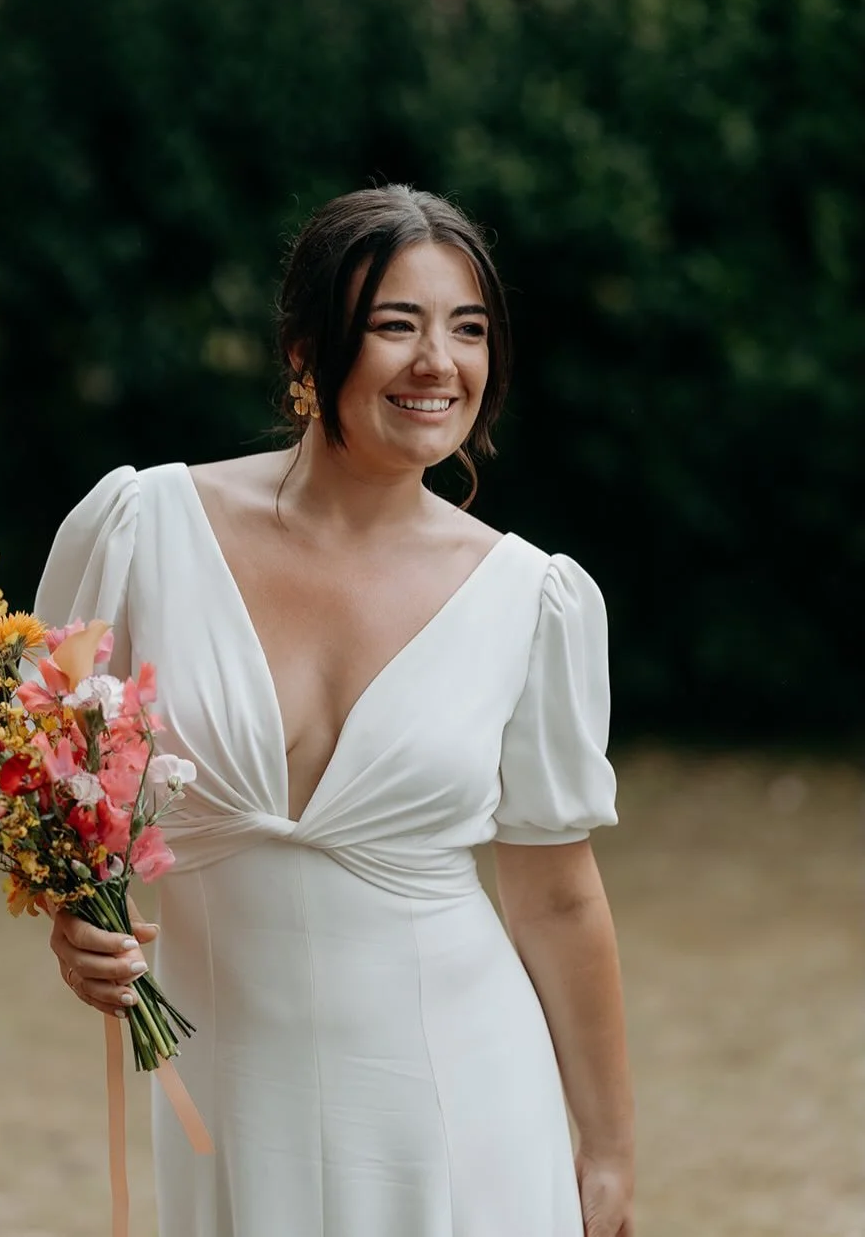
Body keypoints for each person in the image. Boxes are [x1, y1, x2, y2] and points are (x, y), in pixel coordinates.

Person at [36, 186, 635, 1237]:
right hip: (231, 1105)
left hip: (466, 1102)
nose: (436, 363)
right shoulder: (144, 531)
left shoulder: (528, 599)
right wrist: (71, 916)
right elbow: (50, 780)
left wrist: (606, 1151)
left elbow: (554, 896)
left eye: (468, 329)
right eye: (393, 325)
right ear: (306, 350)